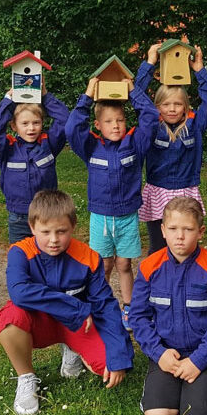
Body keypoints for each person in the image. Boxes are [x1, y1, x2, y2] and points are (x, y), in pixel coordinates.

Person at [0, 190, 134, 415]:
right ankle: (26, 377)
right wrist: (75, 308)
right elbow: (19, 293)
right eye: (45, 232)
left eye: (61, 231)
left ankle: (72, 349)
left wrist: (118, 355)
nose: (54, 239)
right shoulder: (20, 252)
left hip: (77, 325)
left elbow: (106, 306)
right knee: (10, 319)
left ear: (74, 227)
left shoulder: (89, 257)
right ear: (32, 228)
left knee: (108, 365)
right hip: (44, 322)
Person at [130, 197, 207, 415]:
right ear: (163, 231)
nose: (180, 236)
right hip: (166, 354)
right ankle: (170, 388)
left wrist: (198, 361)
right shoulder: (149, 267)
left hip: (204, 355)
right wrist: (159, 354)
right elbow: (138, 317)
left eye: (188, 229)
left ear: (200, 232)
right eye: (173, 229)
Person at [65, 76, 159, 331]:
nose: (115, 126)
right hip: (101, 218)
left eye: (119, 120)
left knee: (124, 264)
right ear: (97, 125)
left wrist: (132, 90)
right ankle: (102, 305)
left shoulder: (135, 144)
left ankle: (129, 307)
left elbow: (150, 117)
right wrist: (86, 95)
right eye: (108, 122)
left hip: (127, 217)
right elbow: (72, 128)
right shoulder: (91, 147)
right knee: (103, 264)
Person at [134, 43, 207, 254]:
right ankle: (156, 283)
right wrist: (150, 62)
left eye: (178, 104)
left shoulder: (195, 125)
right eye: (166, 104)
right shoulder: (152, 125)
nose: (172, 109)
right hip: (157, 191)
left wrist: (199, 70)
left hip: (186, 190)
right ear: (157, 107)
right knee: (158, 247)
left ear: (186, 107)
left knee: (186, 246)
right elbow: (136, 95)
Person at [0, 82, 69, 243]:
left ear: (42, 123)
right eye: (24, 123)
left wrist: (45, 96)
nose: (31, 128)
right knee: (21, 261)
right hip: (19, 218)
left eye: (36, 122)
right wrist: (8, 101)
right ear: (14, 126)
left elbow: (65, 121)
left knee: (47, 260)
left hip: (47, 214)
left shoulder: (48, 144)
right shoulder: (6, 149)